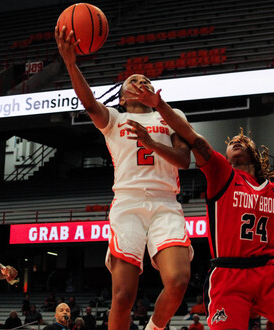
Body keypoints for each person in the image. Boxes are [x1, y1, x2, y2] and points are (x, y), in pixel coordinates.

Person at [129, 86, 274, 329]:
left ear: (254, 153)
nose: (236, 142)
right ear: (225, 154)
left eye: (242, 141)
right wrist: (159, 105)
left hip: (269, 272)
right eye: (232, 142)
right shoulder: (222, 173)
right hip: (229, 274)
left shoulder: (272, 190)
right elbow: (191, 136)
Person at [56, 24, 192, 330]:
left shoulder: (172, 116)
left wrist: (152, 142)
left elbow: (184, 160)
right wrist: (70, 63)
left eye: (146, 79)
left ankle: (154, 329)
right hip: (128, 203)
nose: (141, 81)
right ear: (121, 95)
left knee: (179, 281)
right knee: (122, 296)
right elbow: (89, 102)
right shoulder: (114, 118)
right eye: (133, 79)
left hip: (165, 202)